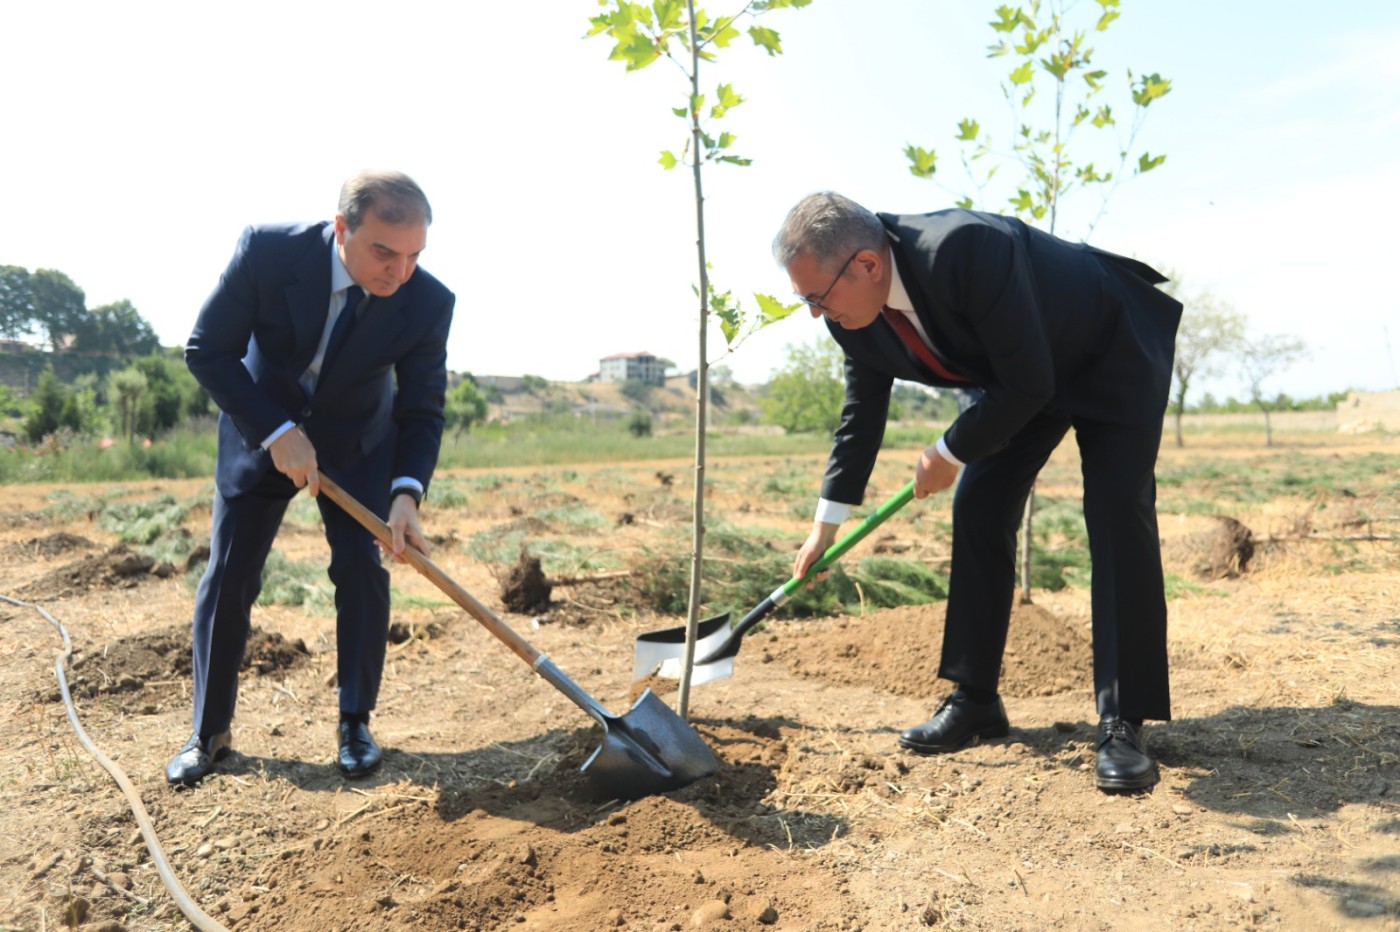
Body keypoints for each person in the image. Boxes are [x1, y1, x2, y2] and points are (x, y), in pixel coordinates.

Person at [776, 192, 1181, 792]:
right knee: (980, 505)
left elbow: (1028, 380)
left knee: (1116, 513)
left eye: (817, 296)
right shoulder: (851, 318)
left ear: (866, 265)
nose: (815, 313)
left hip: (1107, 346)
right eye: (805, 299)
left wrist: (946, 452)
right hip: (1024, 377)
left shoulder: (966, 249)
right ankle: (977, 700)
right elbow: (862, 414)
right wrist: (824, 527)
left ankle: (1124, 719)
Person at [166, 170, 455, 786]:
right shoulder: (268, 253)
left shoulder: (428, 302)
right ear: (342, 227)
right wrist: (275, 432)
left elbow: (422, 407)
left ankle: (356, 722)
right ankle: (209, 732)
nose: (398, 273)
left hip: (358, 446)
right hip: (260, 432)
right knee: (230, 573)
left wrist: (406, 494)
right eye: (383, 251)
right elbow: (206, 349)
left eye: (413, 256)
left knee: (361, 568)